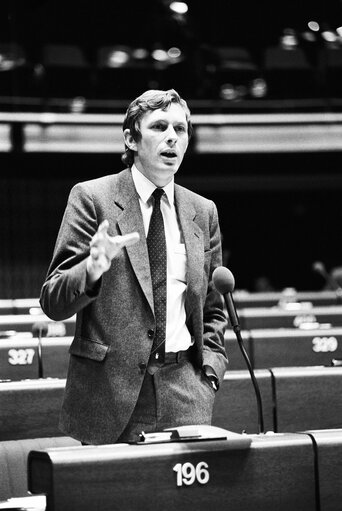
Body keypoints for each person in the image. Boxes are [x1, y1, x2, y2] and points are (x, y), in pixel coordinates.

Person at [40, 88, 228, 445]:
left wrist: (210, 372)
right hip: (109, 393)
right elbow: (53, 300)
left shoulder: (203, 211)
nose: (173, 137)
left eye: (181, 128)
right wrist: (92, 269)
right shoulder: (92, 198)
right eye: (159, 127)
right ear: (131, 137)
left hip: (185, 389)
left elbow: (213, 310)